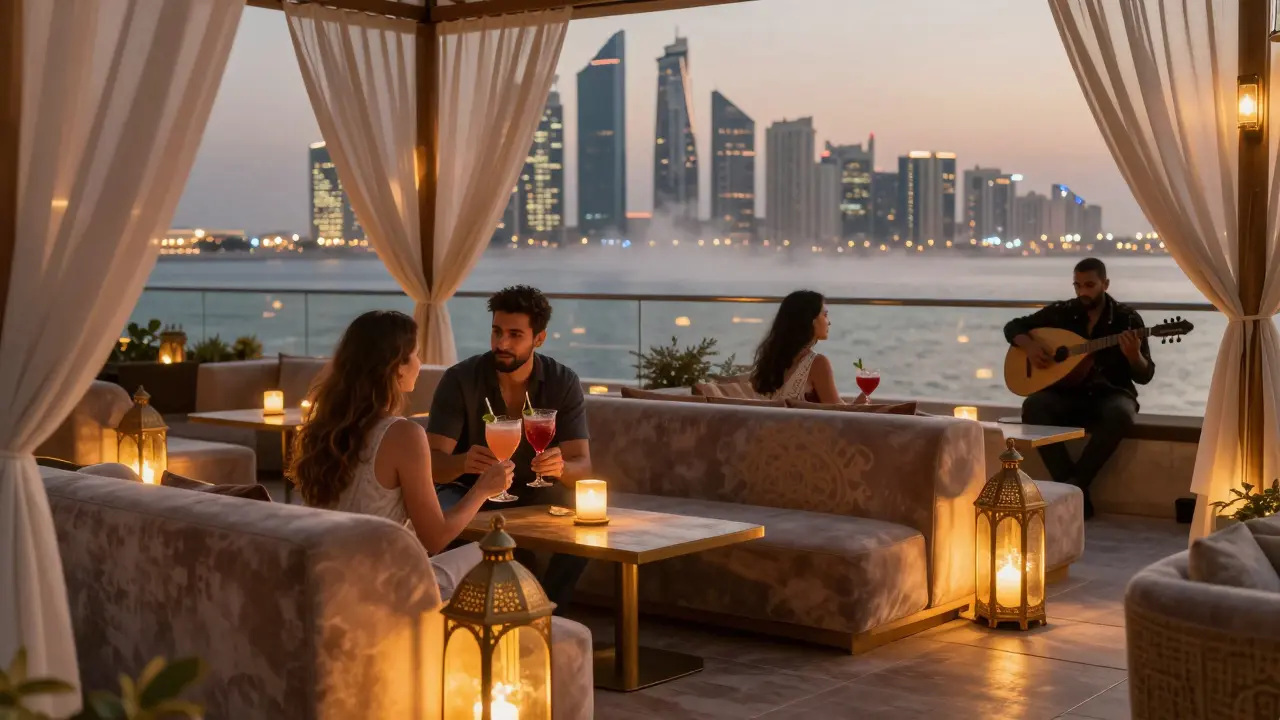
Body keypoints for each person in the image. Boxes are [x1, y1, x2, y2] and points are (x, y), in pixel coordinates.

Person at [290, 310, 515, 589]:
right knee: (498, 555)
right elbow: (435, 538)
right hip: (385, 588)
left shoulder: (322, 428)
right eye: (417, 355)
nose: (420, 364)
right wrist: (483, 489)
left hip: (329, 579)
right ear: (398, 366)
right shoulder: (403, 435)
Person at [426, 285, 592, 610]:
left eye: (515, 335)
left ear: (539, 338)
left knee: (584, 524)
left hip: (538, 492)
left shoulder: (562, 382)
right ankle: (454, 608)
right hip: (469, 490)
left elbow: (583, 466)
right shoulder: (461, 379)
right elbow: (431, 463)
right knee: (440, 516)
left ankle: (546, 609)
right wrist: (461, 463)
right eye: (497, 332)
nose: (501, 343)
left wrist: (562, 468)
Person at [1004, 257, 1154, 519]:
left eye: (1089, 285)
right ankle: (1075, 489)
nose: (1083, 291)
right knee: (1033, 406)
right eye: (1077, 285)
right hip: (1068, 395)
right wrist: (1029, 345)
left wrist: (1133, 356)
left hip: (1111, 394)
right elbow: (1013, 326)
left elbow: (1145, 375)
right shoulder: (1063, 312)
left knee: (1121, 413)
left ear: (1105, 284)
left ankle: (1072, 487)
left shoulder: (1127, 319)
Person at [750, 290, 850, 403]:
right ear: (812, 320)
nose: (829, 322)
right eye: (825, 315)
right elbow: (838, 412)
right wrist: (860, 405)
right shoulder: (817, 363)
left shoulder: (771, 361)